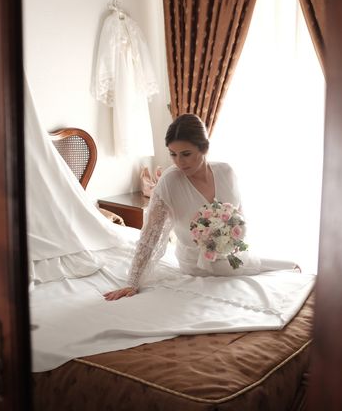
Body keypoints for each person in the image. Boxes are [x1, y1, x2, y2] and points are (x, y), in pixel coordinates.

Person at [105, 114, 297, 301]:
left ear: (204, 148)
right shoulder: (170, 182)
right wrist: (132, 281)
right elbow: (149, 238)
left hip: (231, 255)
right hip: (196, 264)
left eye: (186, 154)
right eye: (173, 154)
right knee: (289, 268)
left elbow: (240, 217)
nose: (179, 162)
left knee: (292, 268)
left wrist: (232, 240)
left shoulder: (226, 172)